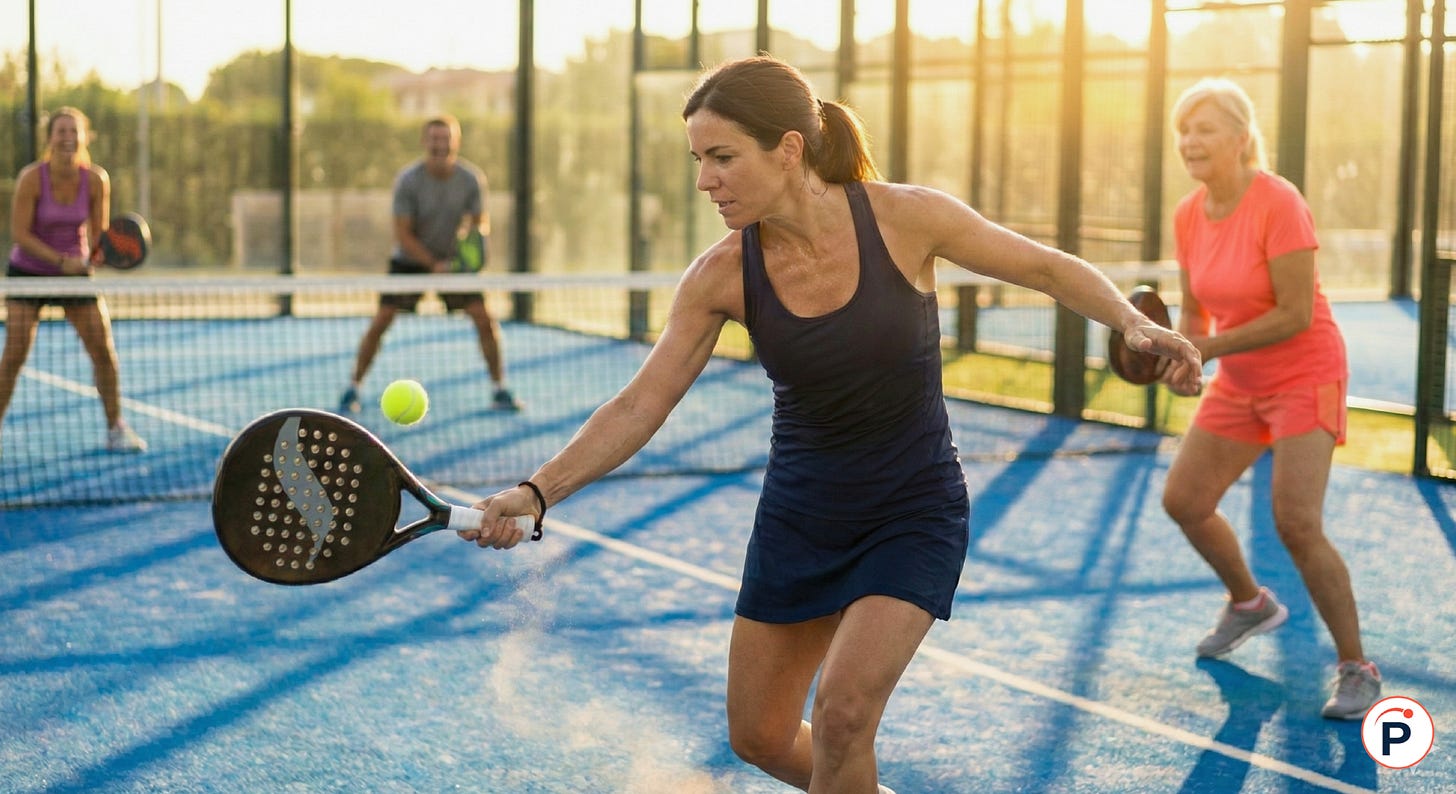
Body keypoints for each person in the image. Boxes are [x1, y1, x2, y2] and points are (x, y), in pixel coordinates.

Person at [457, 56, 1202, 793]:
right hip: (802, 520)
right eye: (698, 160)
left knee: (843, 718)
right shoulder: (720, 275)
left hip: (912, 512)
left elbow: (1044, 267)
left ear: (789, 149)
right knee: (758, 736)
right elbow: (639, 405)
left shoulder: (906, 218)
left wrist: (1131, 322)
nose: (705, 181)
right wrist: (538, 491)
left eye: (722, 157)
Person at [1159, 77, 1379, 720]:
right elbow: (1196, 309)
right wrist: (1188, 356)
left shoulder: (1279, 202)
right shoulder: (1188, 213)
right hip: (1242, 381)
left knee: (1296, 523)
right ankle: (1250, 604)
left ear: (1239, 137)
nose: (1190, 141)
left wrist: (1209, 348)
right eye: (1183, 131)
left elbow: (1294, 314)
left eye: (1204, 129)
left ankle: (1358, 668)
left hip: (1306, 373)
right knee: (1185, 500)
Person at [338, 114, 521, 414]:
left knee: (484, 319)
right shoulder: (408, 180)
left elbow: (479, 224)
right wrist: (434, 264)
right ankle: (353, 387)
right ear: (425, 142)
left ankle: (500, 388)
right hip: (410, 261)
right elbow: (402, 233)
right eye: (434, 139)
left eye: (445, 138)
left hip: (452, 265)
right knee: (382, 319)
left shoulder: (471, 179)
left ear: (456, 142)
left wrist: (468, 255)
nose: (440, 145)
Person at [1, 106, 147, 458]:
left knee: (103, 352)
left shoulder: (96, 180)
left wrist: (98, 258)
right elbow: (20, 234)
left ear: (84, 137)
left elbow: (99, 235)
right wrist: (60, 262)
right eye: (61, 131)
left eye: (74, 131)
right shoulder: (31, 178)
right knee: (15, 354)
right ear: (50, 138)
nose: (68, 138)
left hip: (76, 275)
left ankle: (115, 429)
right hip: (28, 273)